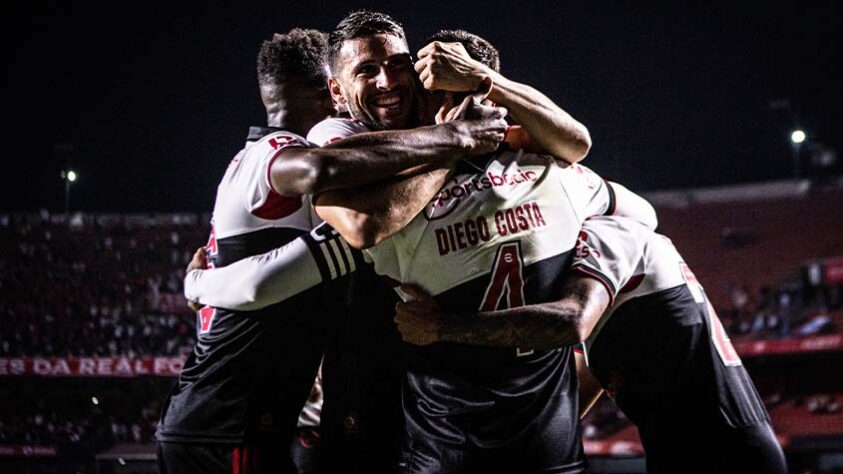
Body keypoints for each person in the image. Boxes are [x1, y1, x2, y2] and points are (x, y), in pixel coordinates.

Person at [158, 28, 508, 474]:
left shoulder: (247, 163)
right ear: (330, 92)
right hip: (227, 426)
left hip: (247, 420)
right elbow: (331, 205)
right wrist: (453, 140)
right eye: (353, 77)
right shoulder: (279, 152)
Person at [396, 216, 788, 474]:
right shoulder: (606, 299)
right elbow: (568, 400)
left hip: (722, 449)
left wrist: (442, 328)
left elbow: (572, 320)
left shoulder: (611, 232)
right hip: (688, 449)